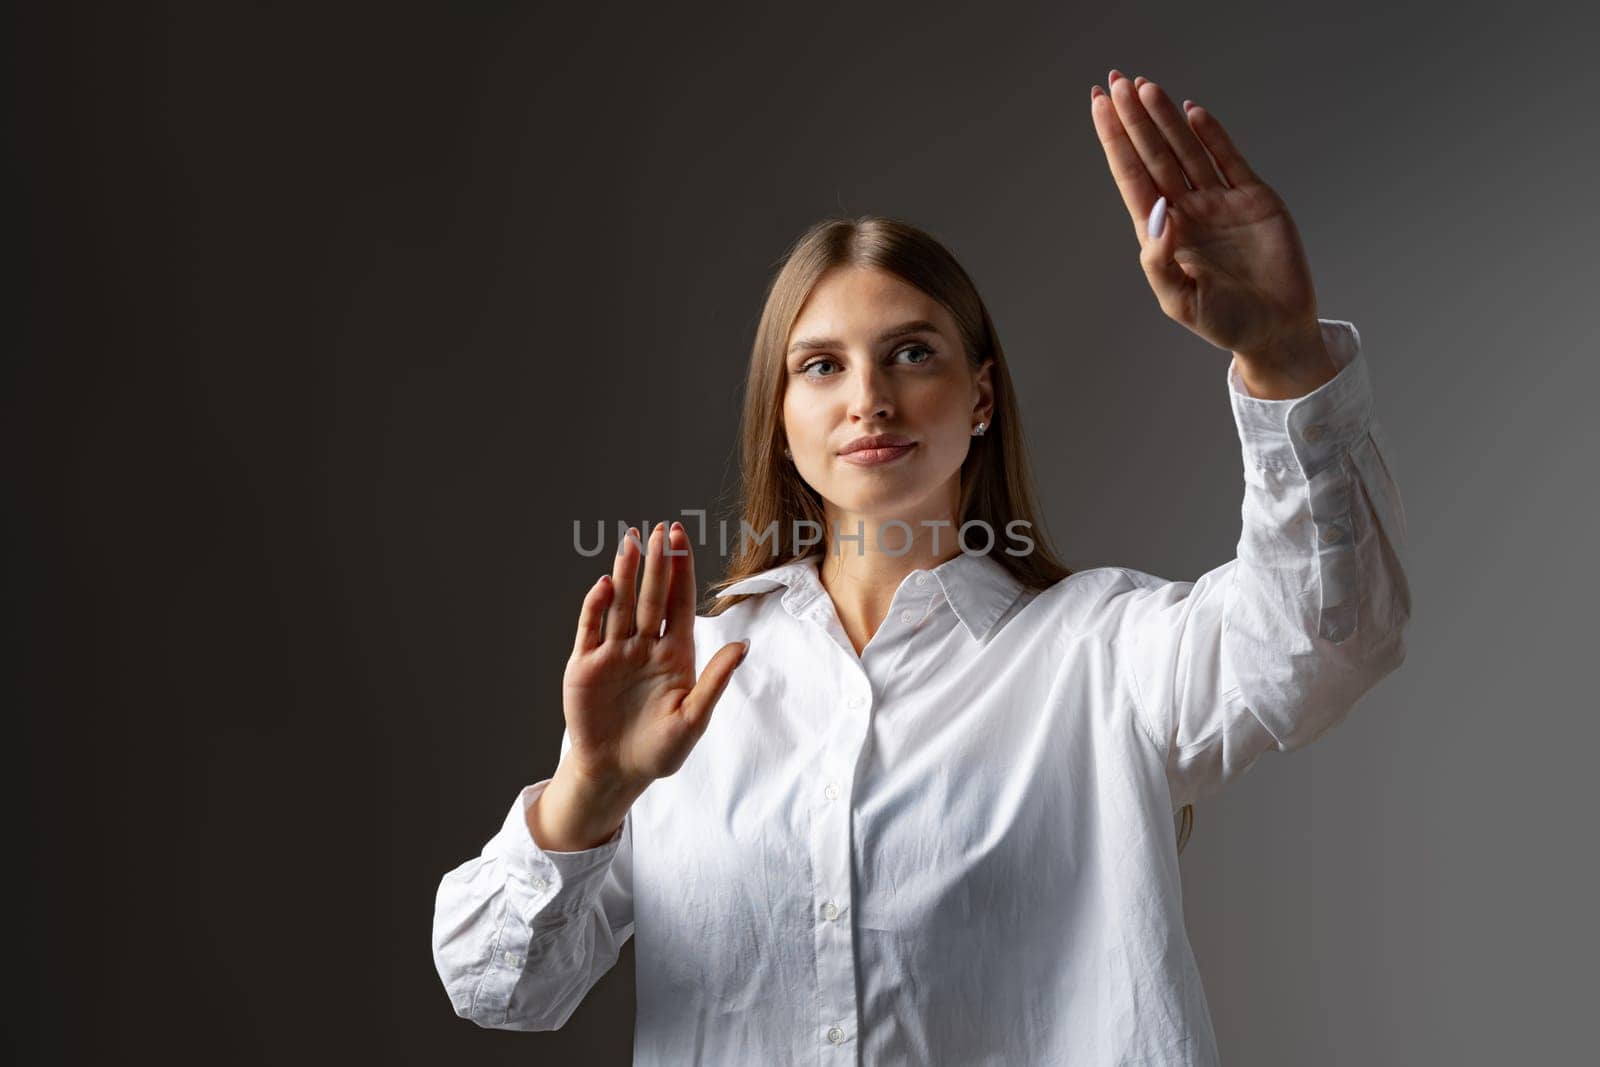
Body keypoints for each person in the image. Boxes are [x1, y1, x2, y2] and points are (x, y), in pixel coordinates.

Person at [431, 70, 1411, 1065]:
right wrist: (588, 786)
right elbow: (497, 985)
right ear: (779, 415)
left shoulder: (1102, 651)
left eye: (910, 353)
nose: (869, 398)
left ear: (979, 396)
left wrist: (1283, 354)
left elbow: (1327, 637)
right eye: (821, 365)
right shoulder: (684, 683)